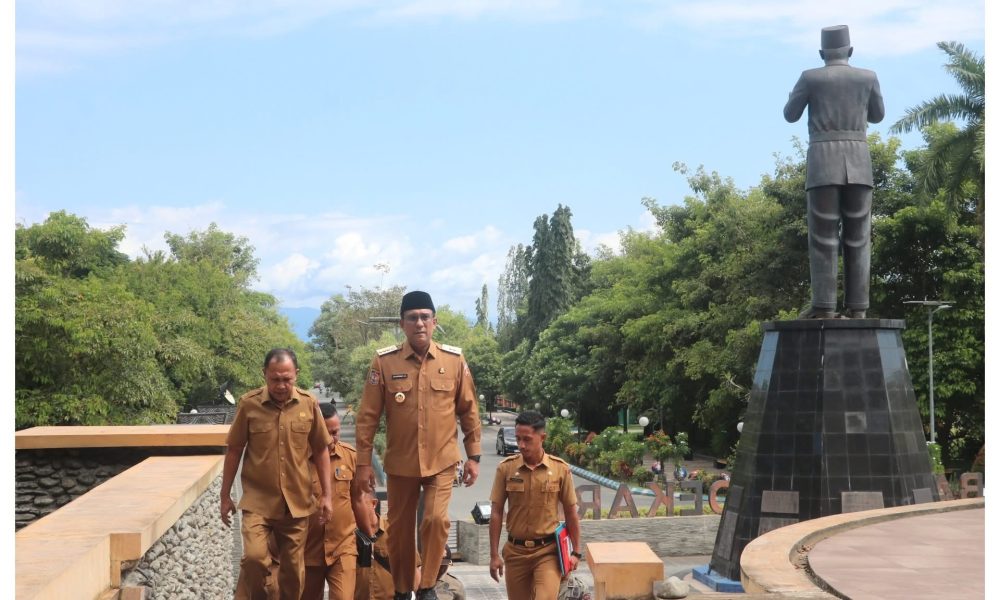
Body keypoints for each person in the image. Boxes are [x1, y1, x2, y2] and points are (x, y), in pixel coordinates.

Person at [355, 291, 482, 600]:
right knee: (400, 530)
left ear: (434, 322)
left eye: (425, 317)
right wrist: (363, 464)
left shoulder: (454, 361)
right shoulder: (384, 362)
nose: (419, 323)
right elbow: (368, 416)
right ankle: (402, 589)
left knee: (436, 520)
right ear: (402, 324)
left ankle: (426, 586)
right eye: (412, 318)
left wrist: (474, 456)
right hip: (401, 463)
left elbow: (469, 409)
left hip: (442, 461)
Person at [784, 24, 885, 319]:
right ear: (849, 50)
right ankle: (858, 309)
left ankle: (824, 307)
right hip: (859, 161)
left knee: (823, 235)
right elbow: (878, 116)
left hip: (823, 161)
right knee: (859, 236)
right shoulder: (868, 77)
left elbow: (790, 115)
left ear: (822, 53)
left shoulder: (810, 78)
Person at [222, 348, 334, 600]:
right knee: (254, 559)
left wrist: (327, 496)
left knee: (293, 572)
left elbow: (321, 450)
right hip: (258, 501)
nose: (281, 385)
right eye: (275, 379)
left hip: (296, 503)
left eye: (287, 379)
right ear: (265, 374)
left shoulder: (308, 404)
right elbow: (234, 450)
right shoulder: (249, 404)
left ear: (296, 375)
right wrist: (224, 495)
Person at [489, 410, 582, 600]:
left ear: (542, 437)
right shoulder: (506, 468)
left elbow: (571, 513)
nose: (521, 445)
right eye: (518, 439)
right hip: (515, 552)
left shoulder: (560, 469)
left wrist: (576, 552)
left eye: (527, 439)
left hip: (548, 552)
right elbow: (496, 512)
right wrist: (494, 555)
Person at [302, 403, 365, 600]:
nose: (331, 438)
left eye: (335, 432)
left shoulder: (350, 456)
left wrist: (371, 538)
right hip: (307, 551)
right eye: (326, 433)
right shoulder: (297, 461)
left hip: (343, 547)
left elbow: (358, 500)